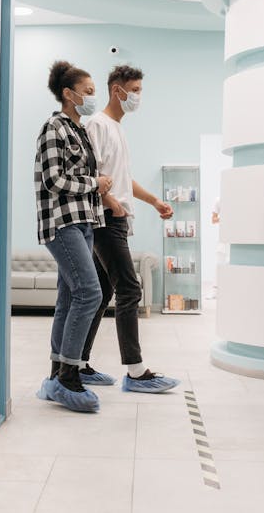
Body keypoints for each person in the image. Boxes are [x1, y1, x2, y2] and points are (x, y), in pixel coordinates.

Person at [79, 65, 180, 393]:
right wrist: (109, 200)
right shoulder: (97, 124)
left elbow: (122, 179)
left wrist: (153, 201)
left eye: (139, 90)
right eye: (134, 90)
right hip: (106, 219)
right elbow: (88, 170)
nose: (138, 96)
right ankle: (135, 372)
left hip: (117, 216)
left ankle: (79, 365)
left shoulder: (117, 129)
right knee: (129, 289)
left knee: (102, 293)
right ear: (116, 90)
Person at [34, 61, 113, 413]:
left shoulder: (79, 130)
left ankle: (57, 372)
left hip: (84, 221)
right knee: (90, 292)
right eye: (90, 92)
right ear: (69, 94)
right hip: (62, 222)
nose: (93, 98)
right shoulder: (54, 128)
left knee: (68, 298)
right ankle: (68, 376)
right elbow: (54, 180)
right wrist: (95, 183)